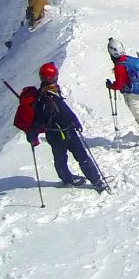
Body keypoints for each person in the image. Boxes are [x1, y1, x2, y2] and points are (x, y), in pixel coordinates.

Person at [29, 62, 106, 192]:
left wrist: (75, 121)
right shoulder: (45, 98)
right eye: (54, 76)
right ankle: (95, 182)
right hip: (59, 135)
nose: (56, 78)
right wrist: (32, 134)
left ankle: (73, 179)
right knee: (80, 157)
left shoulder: (50, 92)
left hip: (62, 132)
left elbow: (63, 109)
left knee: (63, 159)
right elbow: (39, 119)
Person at [105, 37, 139, 145]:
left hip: (131, 93)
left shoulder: (119, 67)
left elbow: (119, 85)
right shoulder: (128, 60)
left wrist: (111, 86)